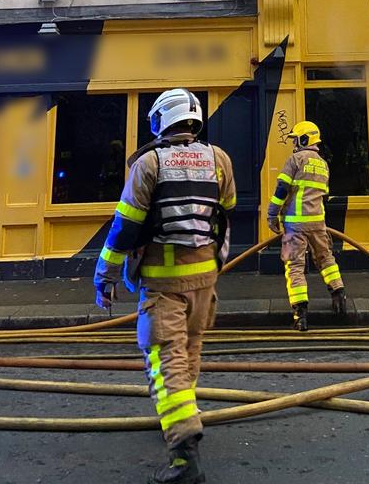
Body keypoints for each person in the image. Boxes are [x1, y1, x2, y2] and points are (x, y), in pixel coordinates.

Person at [93, 88, 236, 484]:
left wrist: (104, 274)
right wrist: (216, 262)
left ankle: (183, 451)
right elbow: (224, 216)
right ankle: (181, 414)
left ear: (161, 120)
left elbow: (125, 227)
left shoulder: (149, 164)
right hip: (205, 278)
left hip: (163, 282)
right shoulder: (219, 159)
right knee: (189, 350)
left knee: (165, 356)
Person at [267, 120, 346, 332]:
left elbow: (282, 189)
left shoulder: (296, 159)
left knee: (294, 266)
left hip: (296, 224)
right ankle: (339, 296)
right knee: (326, 258)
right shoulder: (323, 163)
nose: (294, 143)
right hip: (318, 222)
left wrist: (272, 214)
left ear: (304, 139)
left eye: (296, 139)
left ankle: (300, 314)